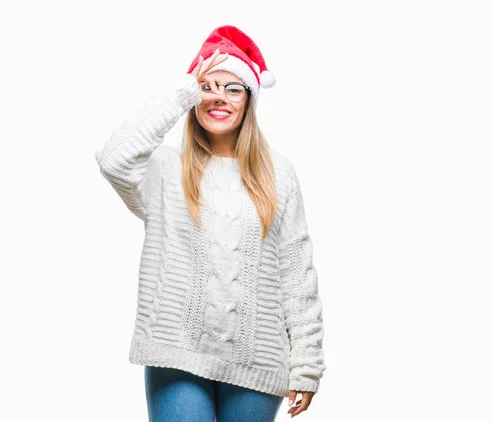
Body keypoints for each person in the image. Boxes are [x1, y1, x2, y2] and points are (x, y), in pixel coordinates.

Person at [94, 25, 326, 421]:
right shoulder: (166, 170)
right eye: (208, 86)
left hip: (259, 357)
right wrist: (184, 88)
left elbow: (296, 272)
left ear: (250, 100)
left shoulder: (279, 174)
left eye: (233, 88)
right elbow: (114, 160)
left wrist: (307, 362)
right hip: (177, 352)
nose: (219, 97)